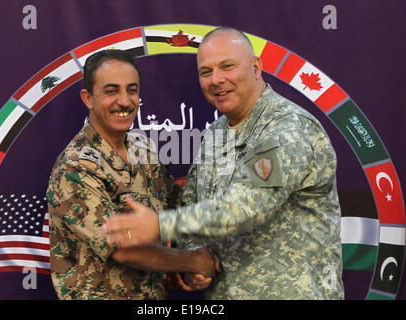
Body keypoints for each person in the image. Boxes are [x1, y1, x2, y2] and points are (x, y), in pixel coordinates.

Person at [104, 27, 345, 299]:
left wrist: (160, 225)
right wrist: (195, 257)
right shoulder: (215, 134)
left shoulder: (288, 127)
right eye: (206, 72)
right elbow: (195, 202)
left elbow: (248, 206)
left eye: (227, 66)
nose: (216, 80)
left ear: (255, 67)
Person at [46, 49, 219, 300]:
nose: (125, 101)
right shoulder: (75, 166)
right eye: (111, 91)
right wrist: (194, 262)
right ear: (88, 98)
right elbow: (123, 249)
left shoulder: (143, 147)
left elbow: (175, 206)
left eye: (132, 90)